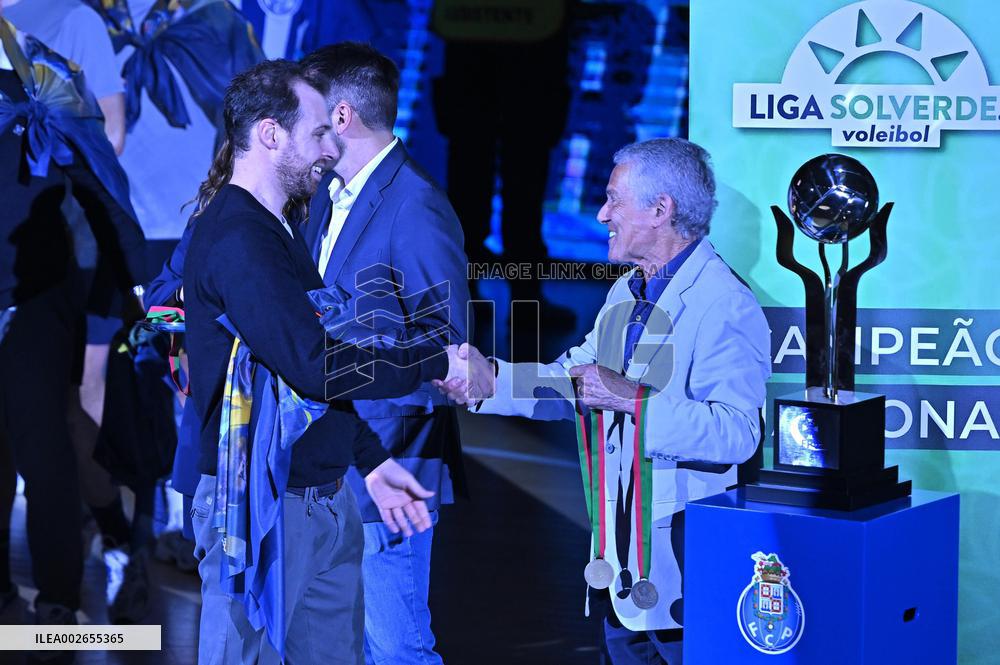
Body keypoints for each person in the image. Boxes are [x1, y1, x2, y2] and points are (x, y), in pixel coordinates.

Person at [183, 59, 481, 664]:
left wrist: (368, 460)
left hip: (320, 497)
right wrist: (434, 360)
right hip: (262, 502)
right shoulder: (240, 237)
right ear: (271, 134)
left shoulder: (277, 227)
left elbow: (306, 374)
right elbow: (316, 365)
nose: (330, 146)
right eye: (318, 133)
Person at [439, 138, 772, 664]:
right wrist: (492, 381)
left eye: (614, 199)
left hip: (687, 570)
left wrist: (633, 400)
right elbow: (577, 382)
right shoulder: (626, 292)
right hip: (623, 568)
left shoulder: (725, 304)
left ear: (661, 210)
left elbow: (737, 432)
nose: (601, 214)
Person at [299, 42, 469, 665]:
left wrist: (335, 329)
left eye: (310, 112)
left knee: (396, 646)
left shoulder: (415, 204)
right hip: (328, 456)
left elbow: (447, 348)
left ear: (341, 116)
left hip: (391, 462)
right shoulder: (327, 195)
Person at [0, 12, 147, 662]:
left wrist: (131, 278)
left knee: (46, 443)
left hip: (38, 292)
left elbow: (101, 162)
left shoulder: (45, 67)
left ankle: (62, 595)